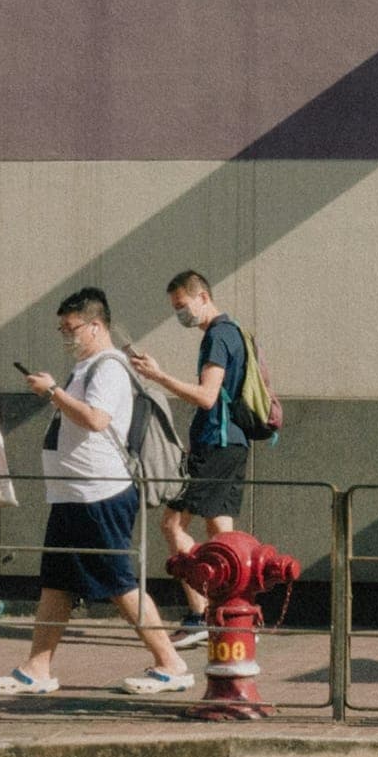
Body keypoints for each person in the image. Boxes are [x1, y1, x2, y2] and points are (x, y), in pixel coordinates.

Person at [0, 288, 192, 695]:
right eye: (62, 329)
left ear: (96, 326)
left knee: (120, 583)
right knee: (57, 582)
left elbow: (97, 419)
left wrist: (52, 393)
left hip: (98, 494)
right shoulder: (86, 368)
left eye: (72, 328)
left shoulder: (109, 367)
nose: (66, 336)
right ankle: (37, 667)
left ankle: (170, 663)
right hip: (73, 495)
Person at [130, 270, 249, 650]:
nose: (180, 314)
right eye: (175, 308)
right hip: (232, 443)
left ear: (203, 297)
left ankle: (201, 615)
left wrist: (158, 376)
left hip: (215, 444)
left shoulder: (217, 336)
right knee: (221, 534)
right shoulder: (233, 332)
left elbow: (207, 396)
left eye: (182, 305)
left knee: (172, 524)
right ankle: (228, 612)